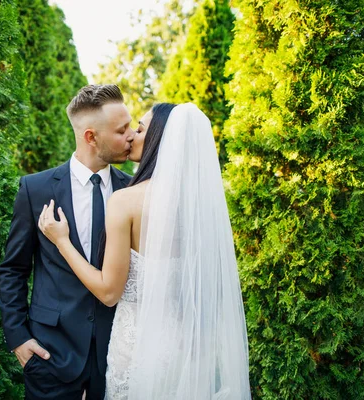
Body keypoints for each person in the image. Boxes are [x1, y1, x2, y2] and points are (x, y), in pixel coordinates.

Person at [39, 103, 251, 399]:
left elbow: (109, 292)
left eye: (139, 129)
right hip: (186, 351)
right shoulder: (201, 207)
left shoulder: (126, 201)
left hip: (136, 349)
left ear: (158, 140)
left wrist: (62, 241)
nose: (131, 137)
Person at [0, 84, 134, 400]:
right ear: (90, 137)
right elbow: (13, 269)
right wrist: (18, 337)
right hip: (50, 355)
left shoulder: (132, 190)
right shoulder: (36, 189)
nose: (130, 136)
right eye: (121, 130)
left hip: (117, 357)